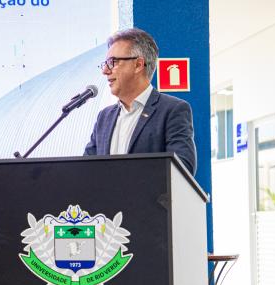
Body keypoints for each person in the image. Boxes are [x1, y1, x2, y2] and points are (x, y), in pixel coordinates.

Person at [83, 28, 197, 175]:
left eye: (112, 62)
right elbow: (86, 169)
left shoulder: (172, 110)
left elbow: (183, 169)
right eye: (105, 64)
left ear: (138, 65)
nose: (105, 71)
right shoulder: (104, 117)